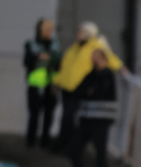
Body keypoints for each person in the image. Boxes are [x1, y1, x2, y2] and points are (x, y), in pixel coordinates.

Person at [53, 22, 123, 153]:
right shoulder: (75, 47)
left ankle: (67, 146)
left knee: (70, 117)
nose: (78, 34)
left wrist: (121, 68)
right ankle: (63, 144)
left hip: (78, 89)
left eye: (80, 32)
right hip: (67, 88)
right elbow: (66, 66)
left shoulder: (95, 46)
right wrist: (57, 81)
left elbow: (109, 58)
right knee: (66, 117)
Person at [70, 49, 117, 167]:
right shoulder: (90, 75)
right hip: (86, 120)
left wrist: (91, 91)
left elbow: (100, 93)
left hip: (101, 121)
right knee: (74, 150)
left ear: (103, 58)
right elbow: (79, 91)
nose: (92, 59)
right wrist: (89, 91)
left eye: (95, 56)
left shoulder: (107, 75)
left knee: (100, 154)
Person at [24, 18, 61, 148]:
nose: (49, 32)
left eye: (50, 29)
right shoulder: (31, 44)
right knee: (34, 114)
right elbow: (27, 62)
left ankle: (45, 141)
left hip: (51, 85)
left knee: (49, 115)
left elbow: (58, 63)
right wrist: (38, 57)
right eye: (47, 29)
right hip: (35, 84)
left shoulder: (55, 44)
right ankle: (30, 141)